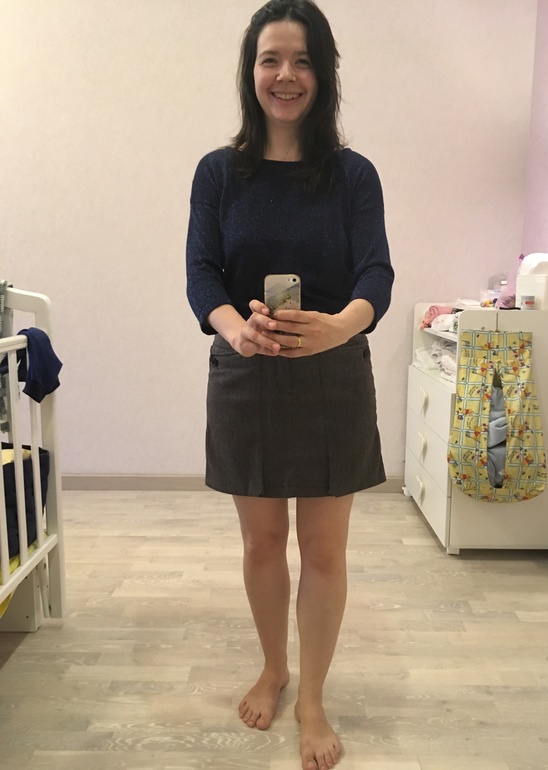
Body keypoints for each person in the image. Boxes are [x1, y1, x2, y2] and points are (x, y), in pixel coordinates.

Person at [186, 1, 394, 768]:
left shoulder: (353, 176)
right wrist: (231, 328)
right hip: (247, 371)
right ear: (251, 70)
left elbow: (376, 273)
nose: (286, 75)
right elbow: (201, 273)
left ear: (323, 73)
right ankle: (274, 667)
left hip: (333, 374)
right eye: (271, 58)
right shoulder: (219, 172)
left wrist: (343, 326)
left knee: (325, 549)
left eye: (303, 60)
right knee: (263, 542)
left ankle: (313, 698)